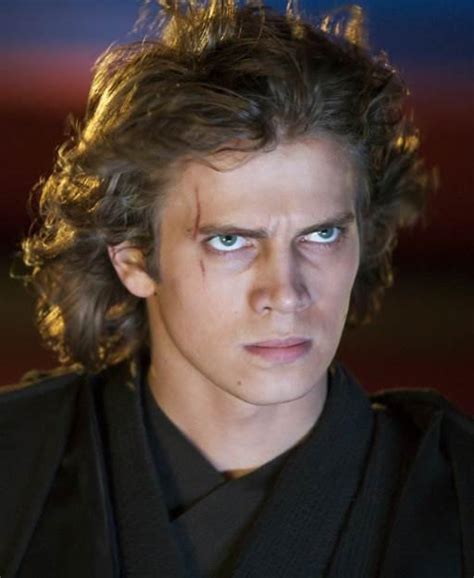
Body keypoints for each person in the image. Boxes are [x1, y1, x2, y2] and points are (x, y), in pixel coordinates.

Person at [1, 1, 473, 577]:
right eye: (230, 241)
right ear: (134, 259)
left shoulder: (455, 490)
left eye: (322, 234)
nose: (286, 292)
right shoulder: (16, 467)